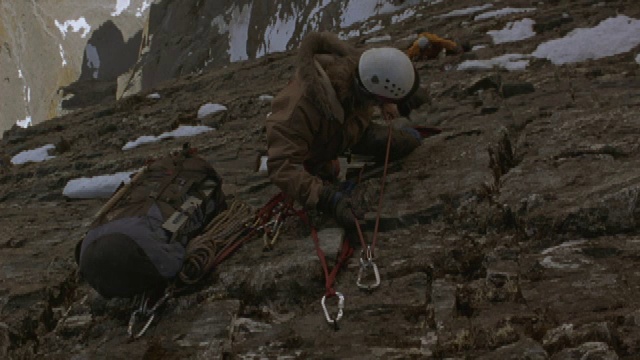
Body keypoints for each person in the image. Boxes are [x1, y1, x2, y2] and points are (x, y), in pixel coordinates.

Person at [265, 31, 423, 232]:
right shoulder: (298, 110)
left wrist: (386, 104)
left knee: (405, 143)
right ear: (372, 96)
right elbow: (282, 166)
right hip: (317, 152)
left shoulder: (362, 71)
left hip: (346, 133)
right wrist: (328, 199)